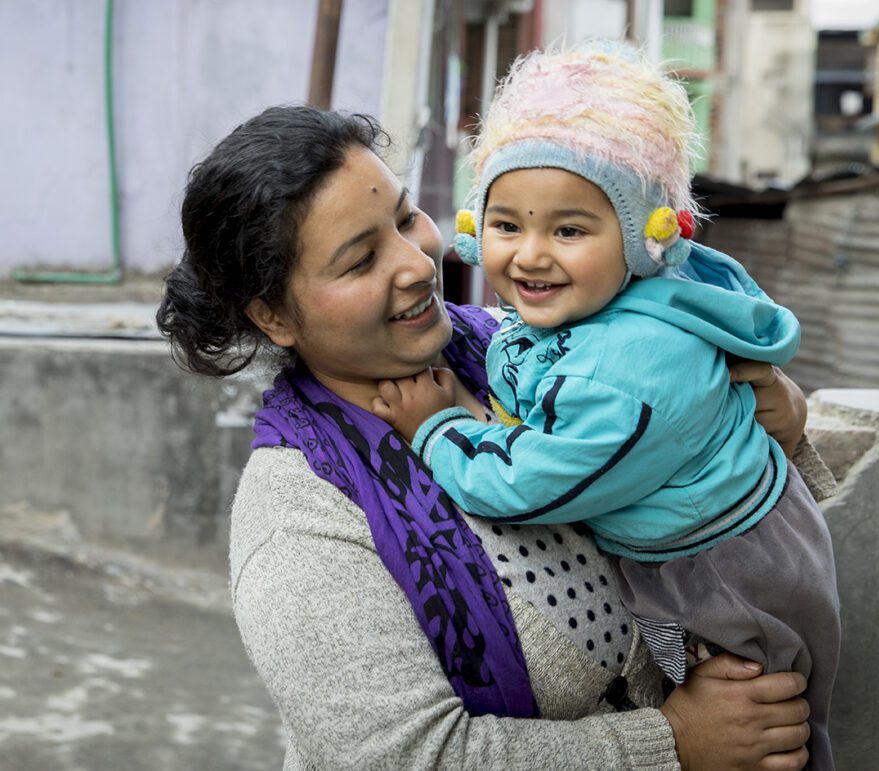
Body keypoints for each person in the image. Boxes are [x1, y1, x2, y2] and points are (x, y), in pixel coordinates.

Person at [157, 104, 821, 770]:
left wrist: (779, 428)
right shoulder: (301, 520)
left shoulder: (529, 348)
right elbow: (403, 756)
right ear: (274, 315)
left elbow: (688, 480)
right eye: (361, 261)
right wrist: (670, 742)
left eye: (404, 215)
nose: (416, 261)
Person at [370, 45, 839, 770]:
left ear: (644, 238)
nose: (530, 255)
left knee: (764, 731)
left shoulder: (627, 371)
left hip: (725, 575)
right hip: (703, 549)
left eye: (569, 230)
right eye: (507, 225)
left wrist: (437, 429)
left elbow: (532, 479)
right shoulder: (586, 313)